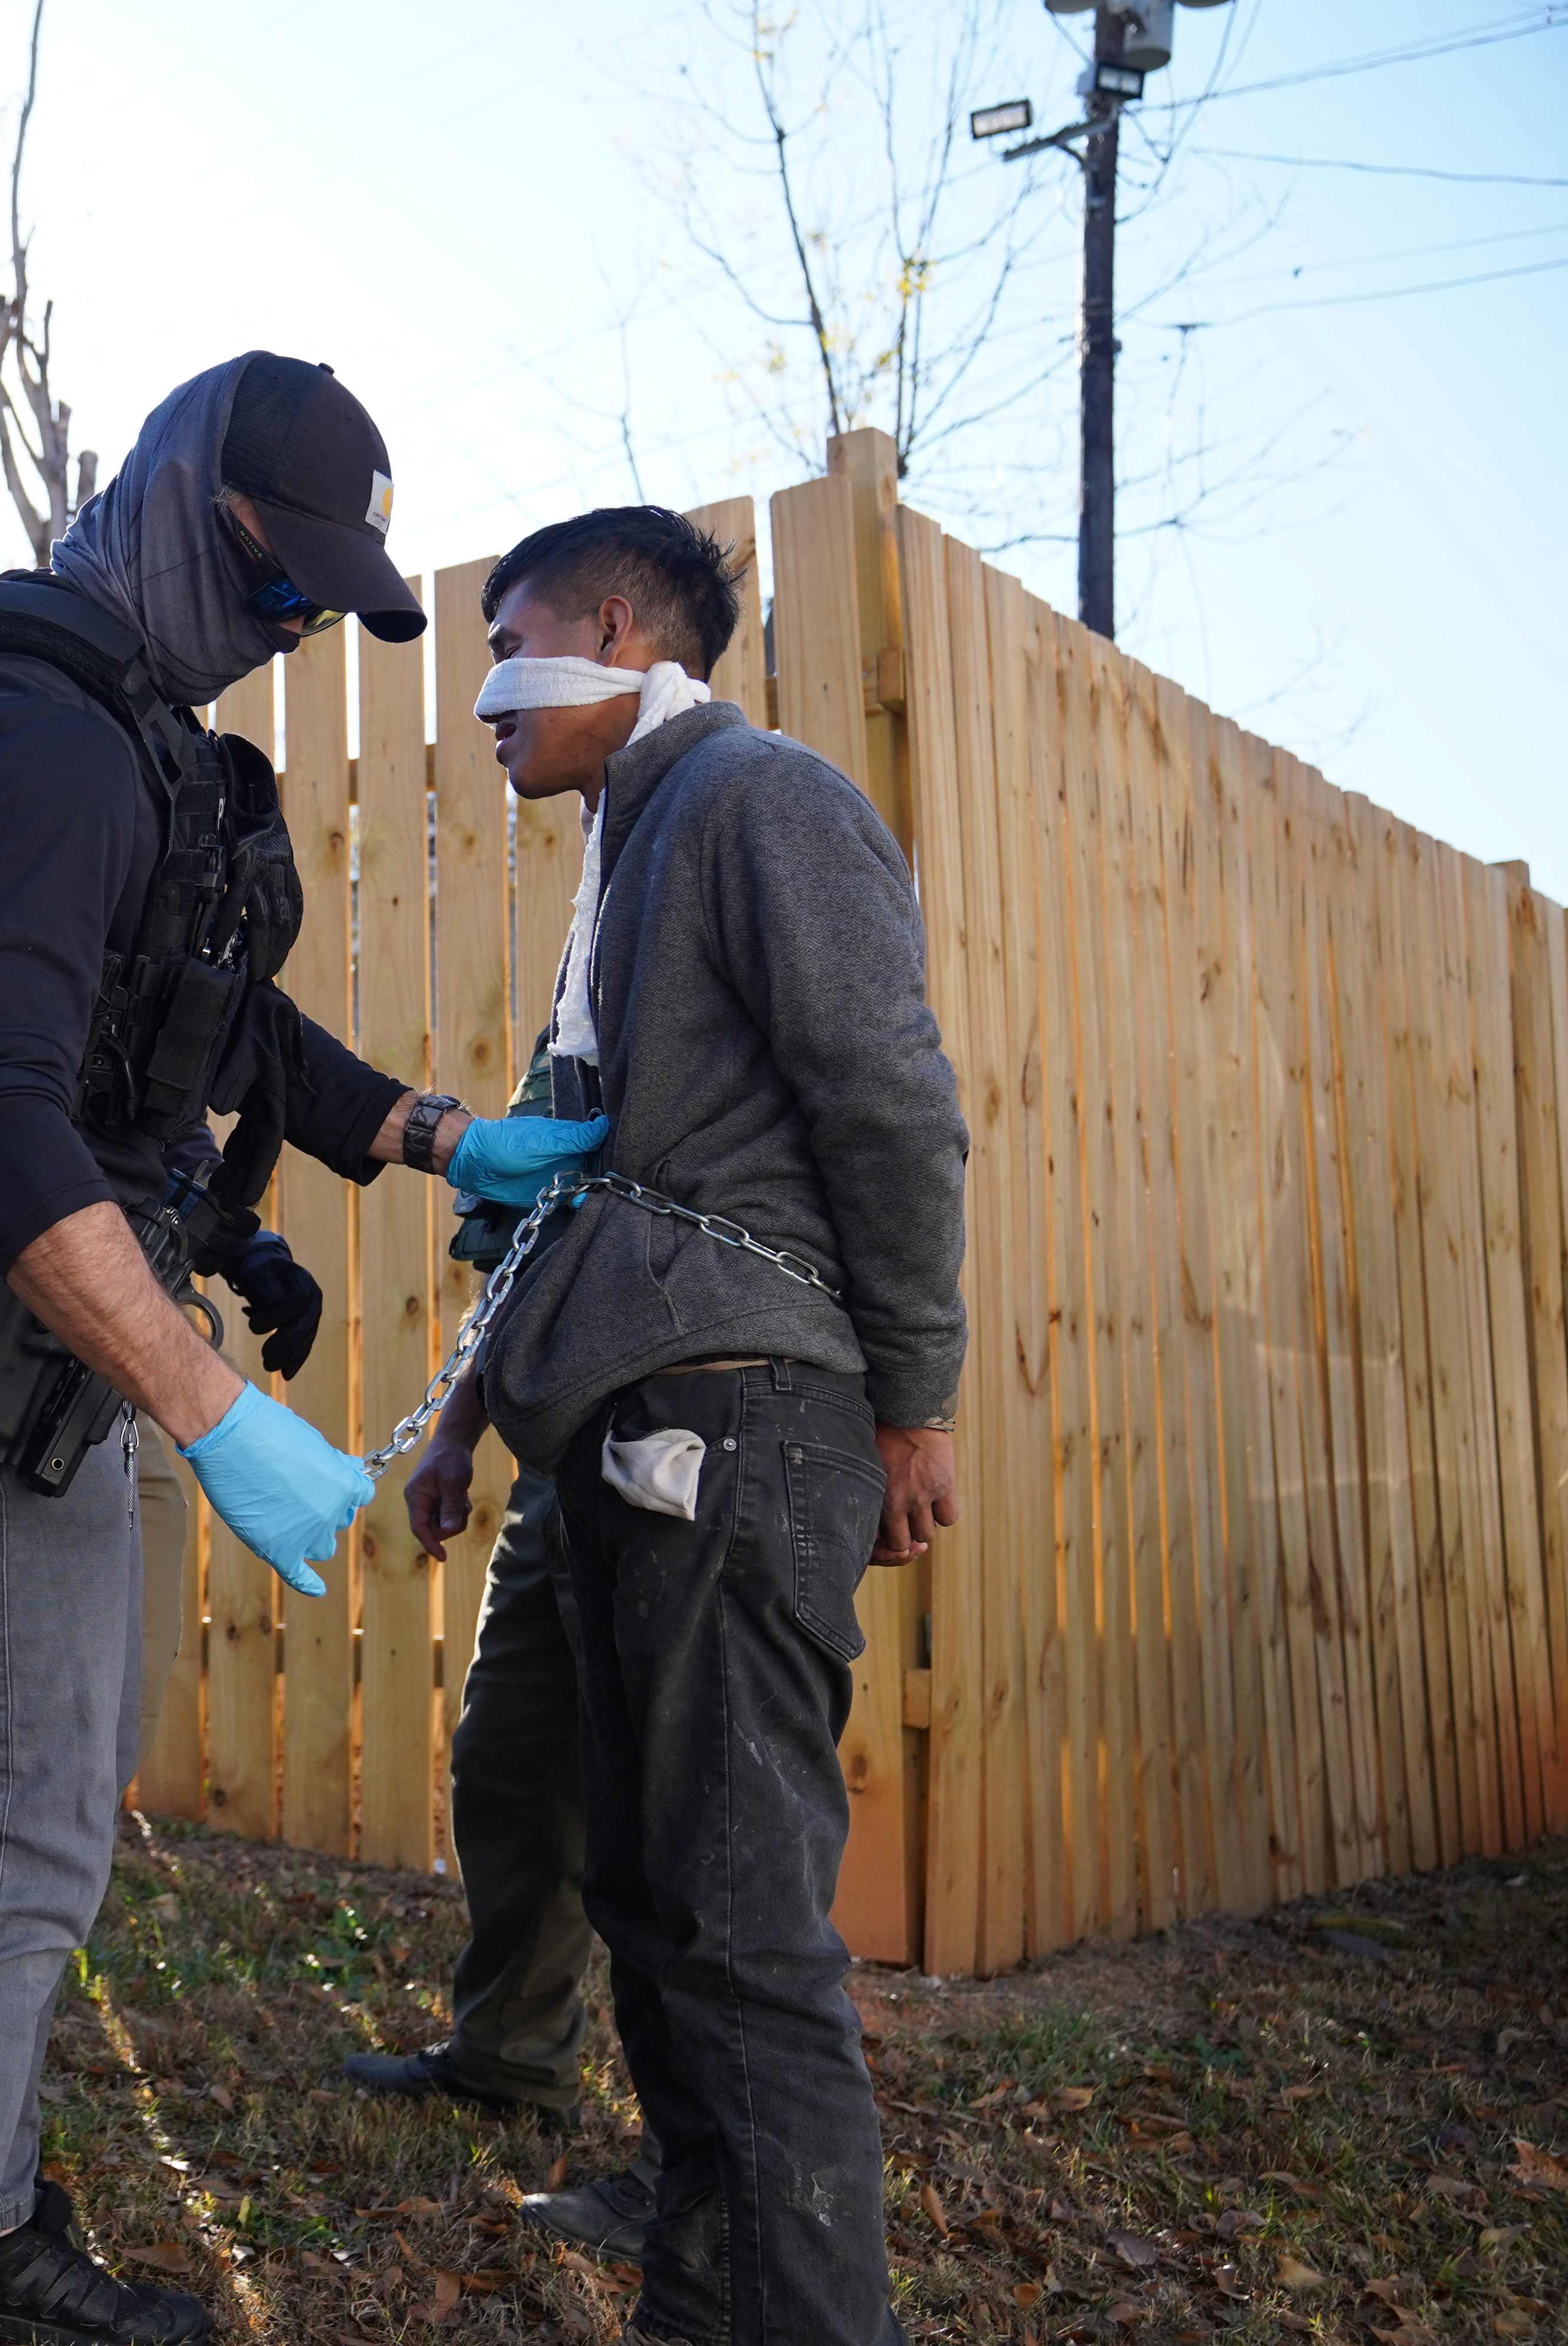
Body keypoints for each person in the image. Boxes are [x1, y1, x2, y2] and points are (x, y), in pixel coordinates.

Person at [0, 351, 610, 2346]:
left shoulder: (138, 746)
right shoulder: (36, 734)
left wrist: (421, 1138)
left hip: (55, 1357)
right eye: (275, 585)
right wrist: (215, 1404)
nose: (291, 631)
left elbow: (218, 1024)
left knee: (20, 1828)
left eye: (321, 604)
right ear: (175, 506)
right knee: (14, 1864)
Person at [461, 506, 966, 2344]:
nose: (482, 697)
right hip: (632, 1415)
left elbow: (894, 1108)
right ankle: (708, 2269)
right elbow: (561, 1174)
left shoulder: (763, 799)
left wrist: (913, 1401)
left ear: (612, 628)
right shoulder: (629, 852)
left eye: (506, 644)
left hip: (747, 1420)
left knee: (743, 1923)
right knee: (651, 1883)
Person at [0, 1131, 321, 2083]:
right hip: (2, 1334)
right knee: (3, 1764)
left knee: (88, 1743)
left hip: (124, 1356)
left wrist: (240, 1242)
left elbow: (152, 1118)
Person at [337, 1033, 658, 2262]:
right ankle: (509, 2055)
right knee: (510, 1754)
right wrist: (455, 1432)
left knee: (673, 1803)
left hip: (694, 1420)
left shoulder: (720, 936)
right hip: (557, 1445)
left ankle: (704, 2158)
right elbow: (522, 1250)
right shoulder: (577, 1014)